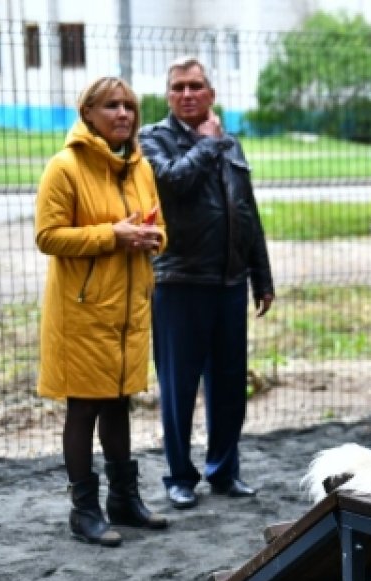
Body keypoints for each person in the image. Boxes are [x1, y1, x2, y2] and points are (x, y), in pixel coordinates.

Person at [35, 76, 171, 547]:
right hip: (83, 310)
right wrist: (112, 235)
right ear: (87, 113)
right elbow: (48, 236)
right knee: (85, 405)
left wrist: (152, 237)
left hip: (129, 308)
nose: (123, 115)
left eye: (129, 106)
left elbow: (158, 227)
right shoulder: (64, 167)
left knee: (119, 400)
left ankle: (123, 501)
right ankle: (84, 511)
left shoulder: (140, 167)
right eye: (111, 106)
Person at [139, 57, 275, 510]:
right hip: (179, 281)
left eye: (195, 86)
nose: (187, 94)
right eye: (178, 87)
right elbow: (173, 184)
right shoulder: (154, 140)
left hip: (230, 282)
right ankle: (179, 476)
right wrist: (207, 144)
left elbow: (247, 212)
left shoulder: (229, 144)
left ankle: (224, 470)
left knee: (230, 384)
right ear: (168, 95)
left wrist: (262, 276)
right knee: (179, 386)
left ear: (211, 94)